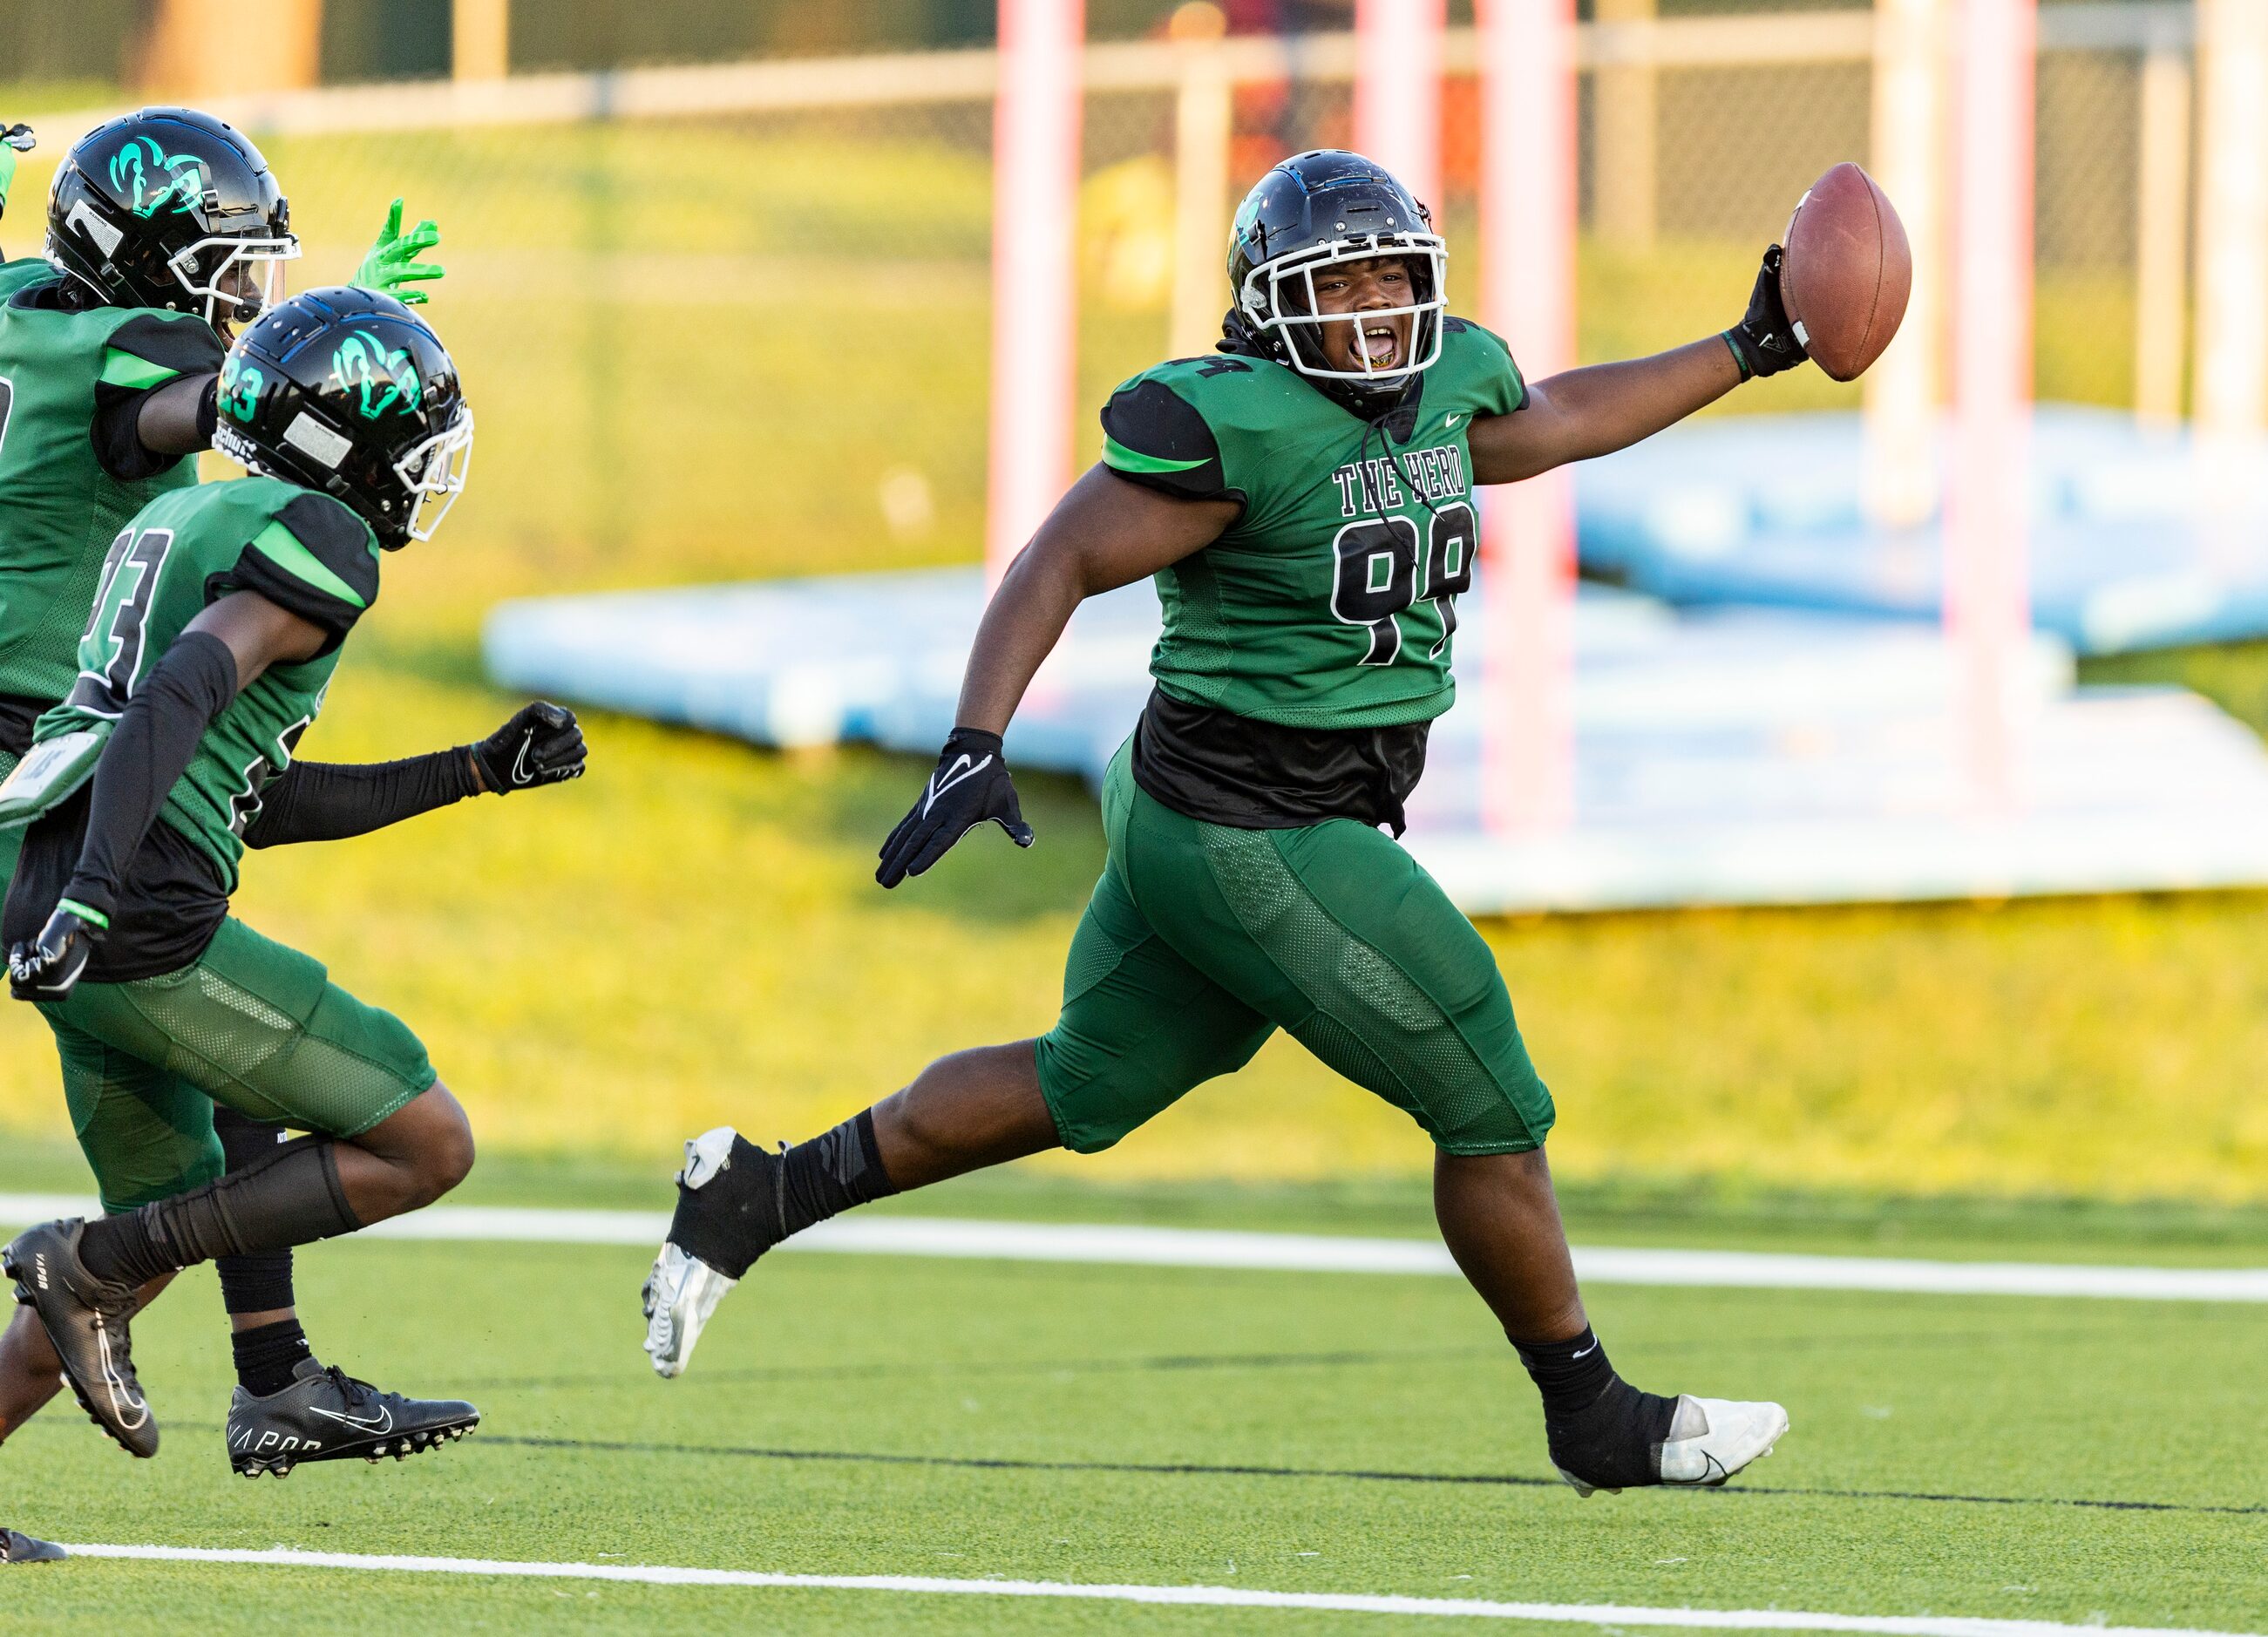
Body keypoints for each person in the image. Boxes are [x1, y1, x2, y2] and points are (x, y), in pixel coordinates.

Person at [645, 149, 1823, 1497]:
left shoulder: (1448, 385)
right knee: (1484, 1086)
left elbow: (1555, 416)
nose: (1378, 311)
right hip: (1253, 820)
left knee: (1085, 1083)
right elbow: (1062, 556)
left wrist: (1748, 346)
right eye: (1341, 287)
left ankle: (755, 1194)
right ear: (1267, 308)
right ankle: (1591, 1411)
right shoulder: (1234, 425)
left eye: (1396, 278)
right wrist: (975, 736)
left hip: (1216, 810)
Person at [0, 285, 587, 1477]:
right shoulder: (324, 537)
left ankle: (156, 1310)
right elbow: (177, 700)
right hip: (126, 911)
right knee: (426, 1142)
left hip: (45, 875)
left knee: (152, 1234)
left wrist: (471, 770)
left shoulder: (195, 521)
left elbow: (248, 795)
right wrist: (100, 897)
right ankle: (98, 1274)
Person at [0, 111, 457, 1505]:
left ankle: (273, 1376)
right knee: (226, 1099)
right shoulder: (145, 372)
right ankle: (266, 1376)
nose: (240, 295)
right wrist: (331, 359)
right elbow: (201, 409)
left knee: (177, 1157)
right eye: (225, 267)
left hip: (52, 745)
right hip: (76, 745)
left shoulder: (23, 303)